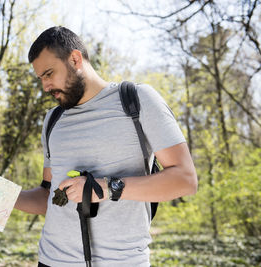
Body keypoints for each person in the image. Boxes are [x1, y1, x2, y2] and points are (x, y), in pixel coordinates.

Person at [14, 26, 197, 267]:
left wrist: (107, 187)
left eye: (49, 74)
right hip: (50, 261)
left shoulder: (137, 100)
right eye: (41, 79)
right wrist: (0, 196)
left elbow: (185, 180)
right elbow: (50, 197)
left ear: (75, 59)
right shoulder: (53, 120)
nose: (45, 86)